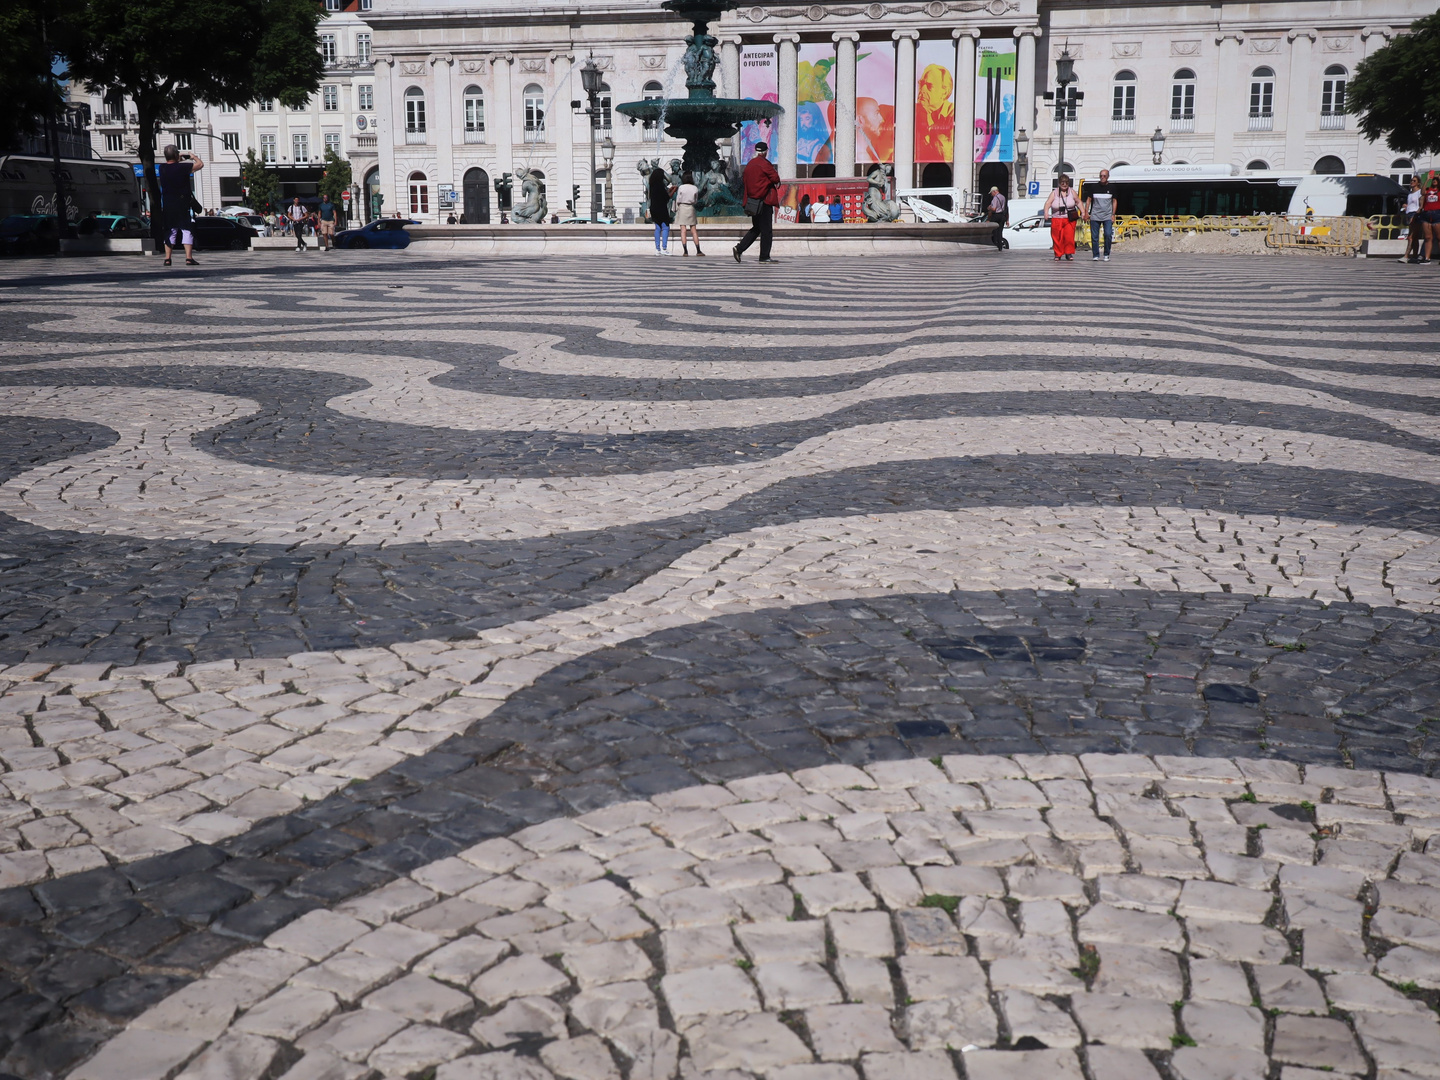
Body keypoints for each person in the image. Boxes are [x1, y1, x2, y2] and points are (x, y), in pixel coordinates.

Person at [734, 141, 782, 263]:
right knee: (767, 230)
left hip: (753, 202)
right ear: (766, 152)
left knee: (756, 228)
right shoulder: (764, 163)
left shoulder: (750, 164)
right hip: (764, 201)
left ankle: (739, 248)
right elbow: (775, 177)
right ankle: (764, 256)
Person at [157, 144, 204, 267]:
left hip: (168, 203)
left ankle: (167, 258)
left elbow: (171, 165)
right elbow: (200, 165)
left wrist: (178, 158)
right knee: (186, 229)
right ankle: (189, 258)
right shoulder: (183, 167)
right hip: (182, 203)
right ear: (176, 155)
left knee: (170, 230)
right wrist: (193, 157)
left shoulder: (162, 168)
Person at [1043, 174, 1079, 261]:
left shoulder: (1072, 192)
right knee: (1057, 237)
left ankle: (1068, 253)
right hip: (1056, 218)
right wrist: (1046, 213)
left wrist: (1084, 212)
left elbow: (1078, 202)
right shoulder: (1054, 193)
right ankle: (1058, 254)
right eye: (1062, 183)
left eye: (1066, 183)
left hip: (1068, 218)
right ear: (1059, 183)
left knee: (1069, 237)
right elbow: (1048, 203)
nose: (1064, 184)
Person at [1084, 168, 1117, 262]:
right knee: (1094, 236)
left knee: (1108, 234)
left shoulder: (1112, 188)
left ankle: (1106, 254)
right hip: (1095, 215)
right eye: (1101, 176)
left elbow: (1114, 201)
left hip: (1107, 215)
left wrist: (1113, 214)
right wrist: (1086, 212)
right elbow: (1088, 200)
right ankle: (1096, 255)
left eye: (1104, 176)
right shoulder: (1094, 187)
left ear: (1108, 177)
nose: (1102, 178)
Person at [674, 171, 703, 256]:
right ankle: (698, 250)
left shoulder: (681, 187)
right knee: (693, 230)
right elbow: (695, 200)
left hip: (682, 207)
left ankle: (685, 251)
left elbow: (678, 199)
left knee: (683, 230)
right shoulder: (695, 188)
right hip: (691, 208)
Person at [648, 165, 674, 255]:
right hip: (661, 208)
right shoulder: (660, 185)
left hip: (654, 208)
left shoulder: (652, 185)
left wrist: (668, 190)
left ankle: (657, 249)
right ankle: (664, 248)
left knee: (658, 227)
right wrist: (673, 191)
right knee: (666, 227)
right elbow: (666, 198)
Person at [1416, 178, 1440, 266]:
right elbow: (1422, 192)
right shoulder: (1428, 190)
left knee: (1438, 237)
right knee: (1428, 237)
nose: (1434, 181)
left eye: (1436, 180)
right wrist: (1427, 179)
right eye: (1433, 180)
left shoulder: (1439, 191)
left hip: (1437, 213)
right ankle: (1427, 258)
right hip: (1426, 213)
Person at [1400, 176, 1423, 264]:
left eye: (1414, 181)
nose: (1412, 182)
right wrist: (1405, 206)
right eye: (1411, 180)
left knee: (1411, 236)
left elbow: (1420, 205)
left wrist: (1417, 213)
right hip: (1409, 213)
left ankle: (1406, 255)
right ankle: (1414, 256)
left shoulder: (1419, 192)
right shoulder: (1410, 194)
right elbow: (1410, 204)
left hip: (1415, 214)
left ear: (1418, 183)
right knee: (1415, 237)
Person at [985, 186, 1007, 251]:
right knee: (1000, 232)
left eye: (991, 193)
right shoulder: (1003, 197)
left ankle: (995, 245)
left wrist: (989, 208)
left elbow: (994, 209)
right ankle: (1000, 246)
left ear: (994, 191)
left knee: (994, 231)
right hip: (1002, 216)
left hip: (996, 215)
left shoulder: (995, 198)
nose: (991, 194)